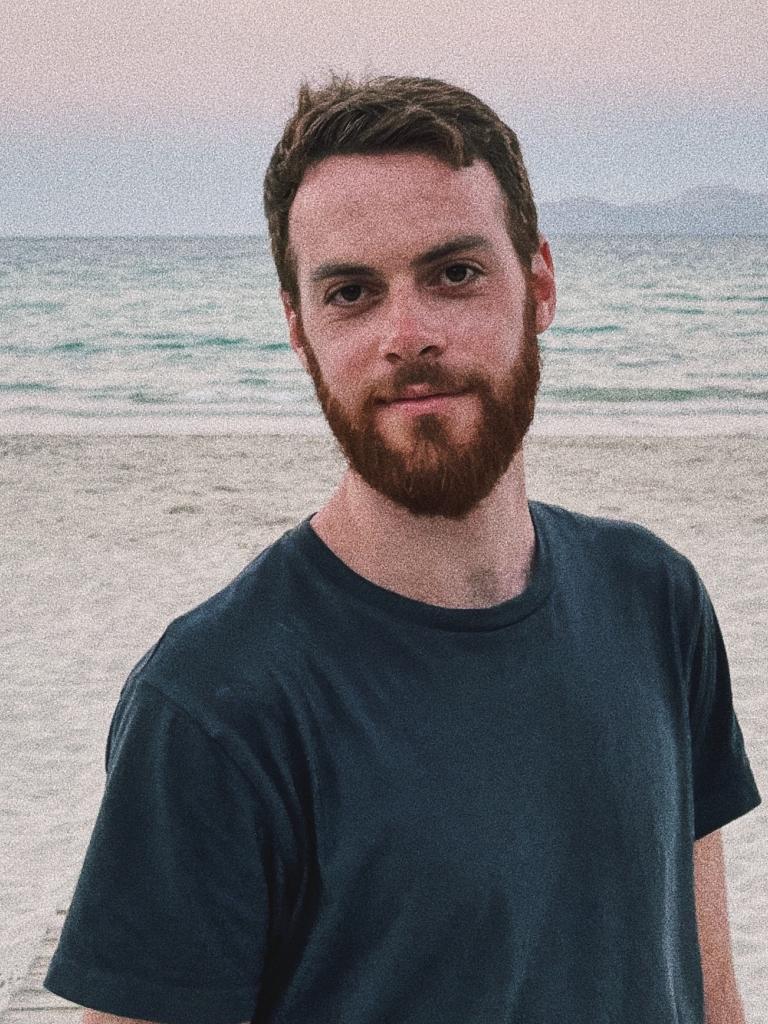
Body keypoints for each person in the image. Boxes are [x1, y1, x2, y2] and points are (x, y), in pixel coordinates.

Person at [44, 74, 761, 1024]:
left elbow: (711, 994)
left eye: (454, 274)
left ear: (539, 284)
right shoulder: (213, 706)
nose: (407, 335)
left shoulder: (655, 600)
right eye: (351, 293)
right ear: (299, 330)